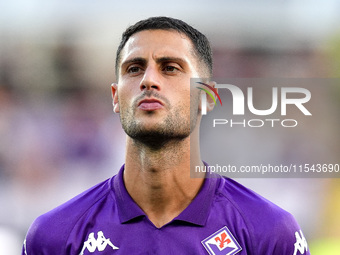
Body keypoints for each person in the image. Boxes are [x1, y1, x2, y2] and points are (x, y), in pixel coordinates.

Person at [22, 16, 310, 255]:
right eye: (134, 69)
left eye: (170, 68)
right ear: (115, 97)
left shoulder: (269, 231)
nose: (148, 80)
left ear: (207, 98)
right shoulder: (55, 236)